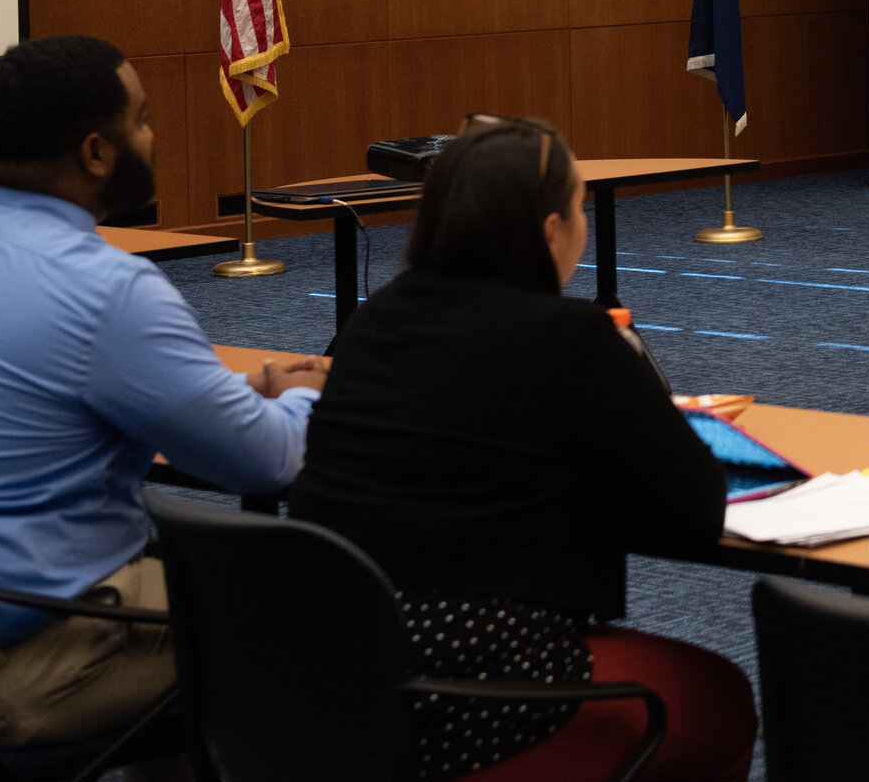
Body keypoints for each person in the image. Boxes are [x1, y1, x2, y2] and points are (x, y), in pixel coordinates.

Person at [0, 35, 324, 750]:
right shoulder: (109, 289)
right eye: (141, 117)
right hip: (6, 664)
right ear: (95, 151)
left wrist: (237, 387)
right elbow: (264, 461)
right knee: (300, 609)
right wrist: (306, 393)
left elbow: (50, 385)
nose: (151, 132)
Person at [288, 117, 753, 782]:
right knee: (717, 695)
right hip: (475, 692)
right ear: (549, 232)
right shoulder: (569, 336)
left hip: (330, 674)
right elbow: (696, 507)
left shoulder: (370, 322)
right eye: (578, 209)